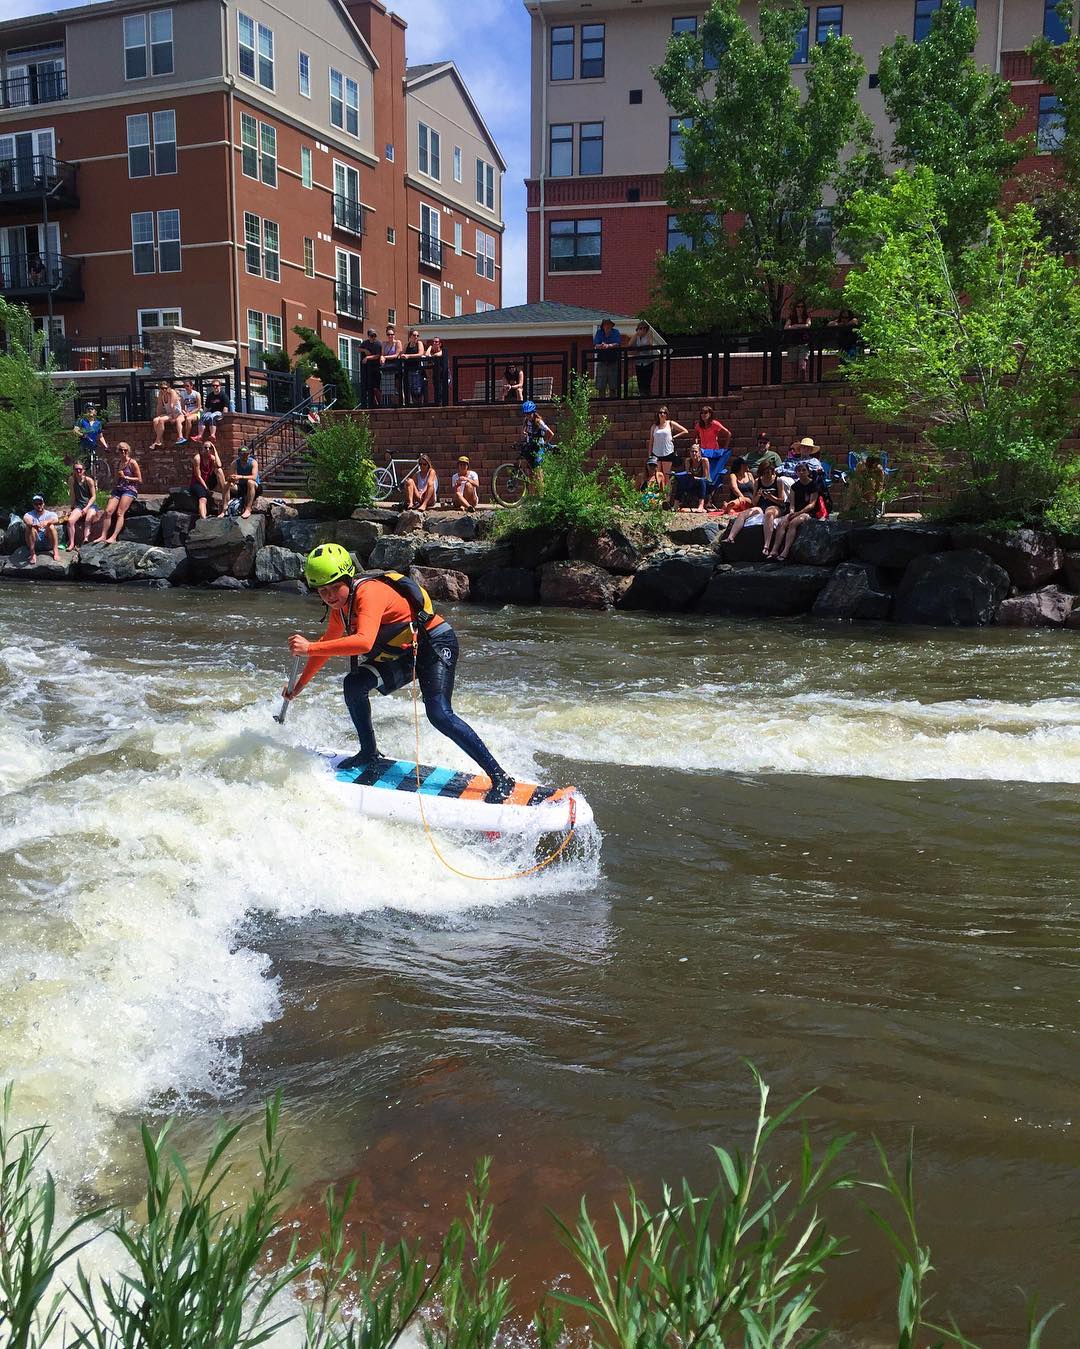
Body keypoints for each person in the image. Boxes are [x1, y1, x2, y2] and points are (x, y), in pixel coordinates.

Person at [285, 544, 516, 800]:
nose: (329, 596)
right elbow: (325, 649)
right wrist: (299, 686)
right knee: (354, 684)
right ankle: (369, 752)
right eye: (322, 590)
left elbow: (363, 642)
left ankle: (501, 777)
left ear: (348, 579)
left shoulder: (368, 593)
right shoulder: (340, 610)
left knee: (439, 714)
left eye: (333, 587)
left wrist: (309, 647)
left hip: (434, 644)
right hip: (404, 652)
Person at [767, 461, 825, 560]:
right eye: (799, 471)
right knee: (782, 522)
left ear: (808, 471)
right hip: (796, 511)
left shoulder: (814, 485)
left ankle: (786, 550)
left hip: (808, 512)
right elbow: (792, 503)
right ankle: (774, 550)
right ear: (796, 473)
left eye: (804, 470)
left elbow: (812, 504)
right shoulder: (794, 487)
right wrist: (791, 512)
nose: (801, 472)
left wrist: (799, 513)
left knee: (793, 523)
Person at [725, 461, 787, 551]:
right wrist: (758, 495)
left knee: (769, 513)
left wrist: (771, 497)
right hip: (761, 506)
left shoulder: (778, 481)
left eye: (768, 473)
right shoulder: (758, 481)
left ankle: (766, 545)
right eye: (764, 473)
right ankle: (730, 537)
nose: (766, 475)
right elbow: (754, 502)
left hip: (775, 506)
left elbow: (781, 501)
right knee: (743, 514)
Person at [100, 443, 141, 543]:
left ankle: (114, 537)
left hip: (129, 489)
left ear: (128, 451)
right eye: (121, 450)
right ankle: (103, 535)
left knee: (119, 512)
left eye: (125, 450)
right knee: (108, 511)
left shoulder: (132, 463)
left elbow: (139, 479)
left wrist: (126, 477)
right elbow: (116, 479)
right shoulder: (117, 463)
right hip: (119, 489)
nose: (123, 452)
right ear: (118, 451)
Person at [646, 406, 689, 484]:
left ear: (667, 414)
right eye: (660, 412)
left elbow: (685, 431)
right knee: (657, 476)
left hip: (667, 452)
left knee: (666, 476)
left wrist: (674, 436)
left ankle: (667, 495)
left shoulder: (670, 423)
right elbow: (651, 441)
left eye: (664, 412)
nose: (662, 414)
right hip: (656, 453)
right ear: (658, 414)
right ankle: (659, 494)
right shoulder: (654, 426)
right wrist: (649, 455)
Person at [66, 462, 101, 548]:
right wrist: (72, 507)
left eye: (80, 469)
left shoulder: (88, 480)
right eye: (76, 469)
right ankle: (71, 543)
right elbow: (73, 495)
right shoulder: (72, 480)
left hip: (90, 504)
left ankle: (86, 538)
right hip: (79, 505)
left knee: (88, 519)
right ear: (73, 470)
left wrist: (86, 508)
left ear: (83, 470)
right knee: (70, 521)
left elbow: (93, 496)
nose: (78, 471)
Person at [190, 442, 227, 519]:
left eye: (210, 448)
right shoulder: (197, 458)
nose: (207, 450)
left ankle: (225, 492)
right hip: (198, 483)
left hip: (208, 481)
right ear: (202, 449)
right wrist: (206, 488)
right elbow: (198, 476)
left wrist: (215, 451)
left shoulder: (211, 457)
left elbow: (219, 465)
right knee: (203, 499)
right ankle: (203, 519)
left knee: (219, 470)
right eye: (205, 448)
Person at [843, 454, 886, 520]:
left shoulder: (879, 470)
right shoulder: (860, 466)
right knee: (853, 484)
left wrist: (877, 494)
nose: (872, 470)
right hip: (860, 484)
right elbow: (857, 478)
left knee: (872, 486)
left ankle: (871, 508)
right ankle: (848, 509)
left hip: (872, 486)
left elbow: (880, 484)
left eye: (874, 468)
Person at [670, 442, 710, 512]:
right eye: (692, 451)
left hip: (704, 484)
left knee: (702, 481)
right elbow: (687, 474)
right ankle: (675, 505)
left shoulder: (704, 461)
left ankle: (701, 505)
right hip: (692, 483)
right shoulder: (688, 461)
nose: (694, 453)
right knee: (681, 482)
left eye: (696, 451)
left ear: (699, 452)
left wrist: (696, 478)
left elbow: (706, 477)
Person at [23, 493, 59, 562]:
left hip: (47, 541)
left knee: (51, 526)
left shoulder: (49, 513)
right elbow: (26, 519)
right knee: (29, 528)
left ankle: (55, 550)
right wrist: (33, 525)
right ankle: (33, 554)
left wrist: (47, 522)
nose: (38, 506)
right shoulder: (30, 514)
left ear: (43, 504)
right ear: (33, 505)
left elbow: (56, 519)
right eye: (36, 504)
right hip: (35, 542)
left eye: (40, 503)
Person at [592, 317, 623, 398]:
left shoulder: (615, 332)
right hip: (602, 361)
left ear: (611, 326)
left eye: (609, 325)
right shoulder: (599, 333)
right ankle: (601, 402)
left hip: (613, 361)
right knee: (601, 385)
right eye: (606, 325)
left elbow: (617, 343)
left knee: (613, 385)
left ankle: (614, 402)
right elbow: (596, 344)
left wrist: (608, 345)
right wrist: (602, 346)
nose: (607, 326)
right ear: (603, 326)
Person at [230, 446, 261, 518]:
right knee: (227, 484)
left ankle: (248, 508)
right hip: (242, 486)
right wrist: (231, 479)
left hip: (255, 486)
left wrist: (240, 476)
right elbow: (230, 477)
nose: (245, 456)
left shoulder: (253, 462)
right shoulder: (235, 463)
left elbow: (254, 477)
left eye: (246, 454)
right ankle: (224, 508)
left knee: (250, 482)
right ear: (239, 455)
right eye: (243, 454)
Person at [784, 300, 811, 382]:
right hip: (793, 344)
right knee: (794, 369)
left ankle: (802, 384)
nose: (800, 308)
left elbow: (808, 325)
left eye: (802, 306)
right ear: (795, 308)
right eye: (798, 306)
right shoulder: (791, 317)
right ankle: (795, 387)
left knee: (802, 367)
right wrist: (799, 326)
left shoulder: (807, 317)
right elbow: (786, 327)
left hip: (804, 344)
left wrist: (795, 326)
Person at [151, 382, 183, 448]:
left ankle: (157, 441)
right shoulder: (161, 394)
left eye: (165, 388)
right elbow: (159, 406)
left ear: (169, 388)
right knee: (155, 420)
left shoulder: (172, 392)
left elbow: (172, 406)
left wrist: (174, 418)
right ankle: (161, 441)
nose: (164, 390)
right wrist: (158, 415)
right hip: (169, 413)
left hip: (176, 413)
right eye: (162, 388)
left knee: (161, 420)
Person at [630, 322, 656, 399]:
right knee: (640, 380)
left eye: (644, 328)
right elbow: (630, 344)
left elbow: (650, 344)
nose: (642, 330)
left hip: (648, 362)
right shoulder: (636, 336)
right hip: (638, 362)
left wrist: (639, 349)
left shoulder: (649, 333)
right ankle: (642, 395)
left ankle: (648, 396)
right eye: (640, 328)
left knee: (647, 380)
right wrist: (637, 334)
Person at [403, 329, 427, 406]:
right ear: (410, 336)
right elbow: (402, 353)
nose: (416, 337)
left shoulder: (419, 343)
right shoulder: (407, 345)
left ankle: (419, 406)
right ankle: (412, 405)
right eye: (414, 335)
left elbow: (420, 353)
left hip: (417, 369)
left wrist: (408, 356)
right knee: (411, 389)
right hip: (408, 370)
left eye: (417, 335)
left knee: (418, 389)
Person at [360, 329, 383, 408]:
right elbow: (358, 349)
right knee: (368, 388)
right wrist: (364, 350)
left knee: (376, 388)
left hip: (376, 369)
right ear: (368, 336)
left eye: (374, 336)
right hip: (366, 369)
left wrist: (368, 357)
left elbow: (378, 355)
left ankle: (381, 404)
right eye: (372, 336)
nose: (373, 337)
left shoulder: (378, 344)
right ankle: (372, 404)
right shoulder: (365, 343)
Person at [381, 326, 404, 405]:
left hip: (396, 367)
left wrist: (385, 357)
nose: (390, 336)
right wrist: (382, 357)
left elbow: (396, 355)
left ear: (394, 334)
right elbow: (382, 354)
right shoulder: (384, 343)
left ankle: (400, 404)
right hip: (387, 368)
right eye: (388, 334)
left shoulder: (397, 342)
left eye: (391, 334)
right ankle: (390, 404)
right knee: (388, 388)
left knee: (398, 387)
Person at [177, 379, 202, 443]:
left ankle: (186, 438)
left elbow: (199, 407)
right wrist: (185, 412)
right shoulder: (183, 394)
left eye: (187, 386)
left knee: (188, 419)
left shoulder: (196, 394)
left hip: (196, 412)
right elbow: (182, 407)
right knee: (178, 420)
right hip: (187, 412)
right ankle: (180, 437)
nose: (186, 387)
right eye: (184, 386)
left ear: (191, 386)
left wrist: (190, 413)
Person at [428, 336, 449, 406]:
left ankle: (443, 407)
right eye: (433, 342)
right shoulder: (432, 352)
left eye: (436, 342)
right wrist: (430, 347)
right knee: (437, 392)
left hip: (445, 375)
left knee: (443, 392)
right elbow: (426, 354)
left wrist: (432, 355)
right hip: (436, 376)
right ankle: (438, 406)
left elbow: (438, 354)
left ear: (440, 344)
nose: (434, 343)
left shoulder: (443, 350)